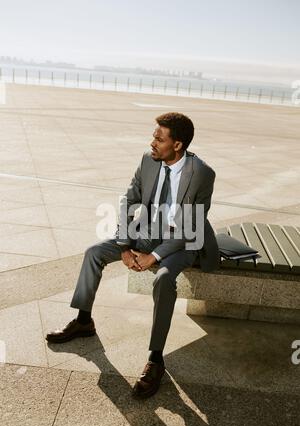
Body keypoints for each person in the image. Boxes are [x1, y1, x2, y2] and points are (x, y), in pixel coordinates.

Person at [46, 112, 219, 399]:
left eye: (159, 138)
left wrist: (154, 256)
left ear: (177, 145)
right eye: (154, 136)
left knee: (163, 279)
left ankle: (156, 358)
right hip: (146, 231)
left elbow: (192, 227)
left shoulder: (201, 173)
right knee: (94, 253)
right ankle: (84, 320)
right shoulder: (148, 161)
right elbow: (130, 200)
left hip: (182, 240)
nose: (152, 142)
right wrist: (125, 246)